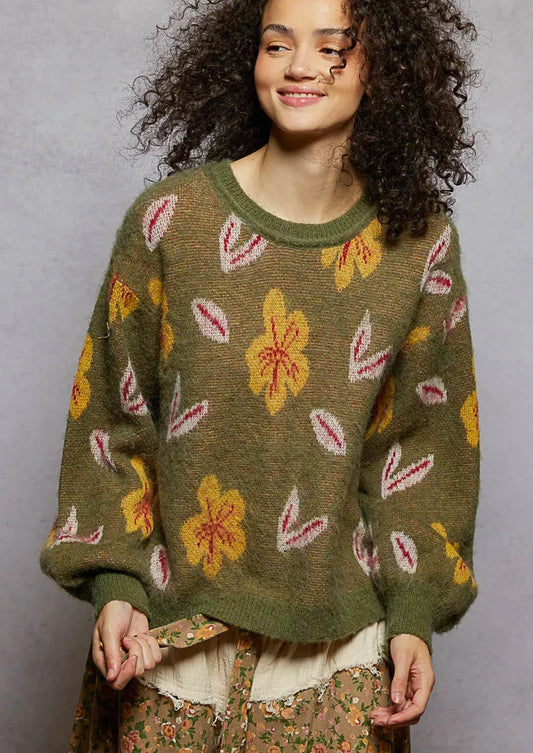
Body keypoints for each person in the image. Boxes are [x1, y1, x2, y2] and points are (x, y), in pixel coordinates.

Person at [40, 0, 481, 750]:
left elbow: (422, 448)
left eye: (332, 47)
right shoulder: (168, 223)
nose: (300, 66)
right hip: (167, 648)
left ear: (384, 69)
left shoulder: (419, 246)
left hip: (341, 657)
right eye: (277, 45)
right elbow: (111, 419)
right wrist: (115, 585)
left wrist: (413, 616)